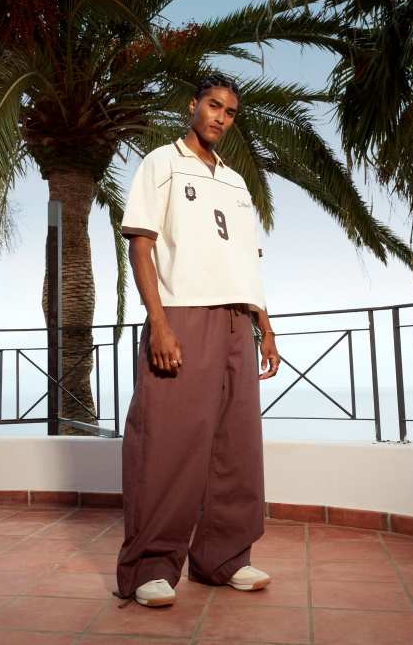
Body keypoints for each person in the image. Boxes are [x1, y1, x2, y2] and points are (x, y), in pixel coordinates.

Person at [114, 73, 281, 608]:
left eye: (230, 112)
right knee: (167, 443)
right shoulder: (161, 163)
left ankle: (224, 558)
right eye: (214, 106)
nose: (221, 118)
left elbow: (247, 259)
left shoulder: (235, 182)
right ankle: (149, 567)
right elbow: (141, 244)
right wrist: (159, 322)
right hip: (183, 314)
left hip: (237, 320)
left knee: (235, 447)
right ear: (194, 105)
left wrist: (264, 326)